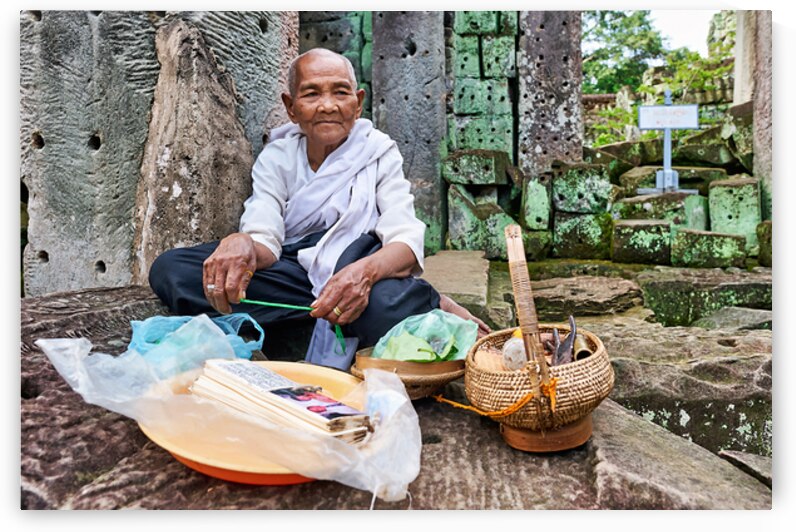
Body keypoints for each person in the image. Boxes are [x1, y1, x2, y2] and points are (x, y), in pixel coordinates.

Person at [149, 48, 489, 370]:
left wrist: (362, 275)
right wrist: (241, 242)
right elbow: (265, 239)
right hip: (295, 272)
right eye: (311, 94)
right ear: (291, 107)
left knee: (380, 305)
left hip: (358, 265)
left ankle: (413, 302)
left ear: (358, 103)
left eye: (340, 92)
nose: (327, 105)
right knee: (173, 271)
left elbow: (404, 238)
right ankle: (344, 308)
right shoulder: (277, 157)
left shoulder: (378, 151)